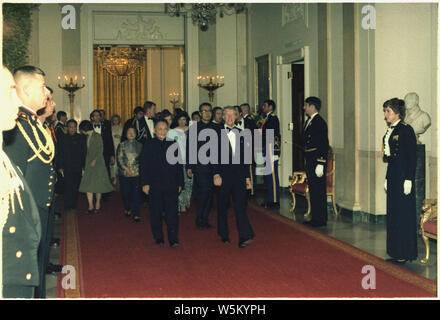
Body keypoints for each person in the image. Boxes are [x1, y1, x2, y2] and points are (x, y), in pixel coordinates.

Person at [3, 65, 55, 298]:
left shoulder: (33, 122)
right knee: (29, 271)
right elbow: (14, 180)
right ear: (25, 89)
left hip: (39, 207)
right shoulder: (19, 124)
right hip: (25, 214)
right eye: (42, 87)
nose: (46, 93)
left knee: (39, 265)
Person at [382, 98, 417, 264]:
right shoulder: (391, 129)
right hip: (394, 176)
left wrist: (409, 179)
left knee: (403, 215)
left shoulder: (406, 130)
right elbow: (391, 159)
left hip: (403, 177)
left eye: (388, 111)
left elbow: (412, 157)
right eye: (385, 111)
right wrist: (387, 178)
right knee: (394, 213)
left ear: (397, 113)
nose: (385, 114)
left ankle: (405, 252)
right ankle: (395, 251)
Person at [213, 106, 254, 248]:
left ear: (236, 117)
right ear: (223, 117)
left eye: (233, 115)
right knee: (222, 206)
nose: (230, 118)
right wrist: (216, 174)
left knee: (240, 206)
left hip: (238, 176)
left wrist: (247, 178)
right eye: (227, 115)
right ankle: (223, 234)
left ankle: (245, 235)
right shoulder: (215, 133)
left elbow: (246, 159)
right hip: (223, 175)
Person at [140, 120, 184, 247]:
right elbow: (143, 166)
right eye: (160, 129)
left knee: (172, 213)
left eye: (165, 129)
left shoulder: (173, 144)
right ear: (154, 130)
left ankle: (173, 238)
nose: (163, 131)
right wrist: (145, 183)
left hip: (171, 184)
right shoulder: (148, 145)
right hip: (154, 185)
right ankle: (158, 237)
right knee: (156, 212)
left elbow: (178, 165)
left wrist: (180, 182)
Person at [186, 102, 218, 229]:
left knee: (209, 194)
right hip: (200, 166)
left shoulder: (217, 128)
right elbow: (190, 149)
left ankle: (204, 218)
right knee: (203, 193)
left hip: (214, 167)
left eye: (209, 111)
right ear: (200, 113)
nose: (207, 113)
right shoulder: (194, 128)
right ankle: (200, 218)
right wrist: (189, 166)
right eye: (204, 111)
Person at [301, 97, 329, 227]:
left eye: (306, 105)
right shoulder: (310, 121)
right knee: (313, 189)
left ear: (312, 107)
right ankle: (315, 217)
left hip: (316, 160)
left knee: (318, 190)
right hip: (310, 158)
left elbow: (323, 145)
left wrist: (321, 163)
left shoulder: (319, 122)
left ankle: (321, 218)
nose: (304, 108)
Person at [78, 120, 114, 214]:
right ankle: (90, 206)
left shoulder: (97, 136)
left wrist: (94, 160)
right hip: (88, 163)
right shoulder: (85, 137)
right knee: (87, 185)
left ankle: (97, 203)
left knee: (98, 185)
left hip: (98, 163)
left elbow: (100, 149)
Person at [58, 119, 86, 212]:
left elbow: (84, 153)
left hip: (77, 166)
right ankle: (67, 205)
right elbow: (60, 153)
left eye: (74, 127)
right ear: (67, 128)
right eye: (70, 127)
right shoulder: (63, 138)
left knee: (76, 186)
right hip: (66, 166)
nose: (72, 129)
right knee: (67, 186)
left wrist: (84, 165)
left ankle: (74, 205)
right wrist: (60, 166)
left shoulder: (81, 138)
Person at [117, 127, 143, 222]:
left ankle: (136, 214)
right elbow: (119, 159)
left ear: (136, 134)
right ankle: (127, 208)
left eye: (133, 132)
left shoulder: (140, 145)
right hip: (124, 173)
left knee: (136, 194)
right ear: (126, 134)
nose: (131, 134)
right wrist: (126, 169)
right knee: (126, 193)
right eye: (129, 132)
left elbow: (142, 159)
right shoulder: (122, 145)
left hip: (137, 173)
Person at [260, 99, 281, 209]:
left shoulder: (273, 119)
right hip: (266, 149)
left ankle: (274, 200)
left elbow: (275, 136)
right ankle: (270, 199)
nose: (263, 107)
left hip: (271, 150)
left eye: (265, 105)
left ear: (270, 107)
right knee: (268, 176)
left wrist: (275, 152)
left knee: (272, 176)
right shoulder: (267, 118)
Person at [170, 111, 192, 213]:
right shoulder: (172, 131)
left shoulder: (192, 130)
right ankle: (180, 204)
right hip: (178, 160)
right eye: (180, 119)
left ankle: (185, 202)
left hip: (190, 160)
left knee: (189, 183)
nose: (182, 122)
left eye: (184, 119)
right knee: (180, 183)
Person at [240, 103, 258, 196]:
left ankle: (251, 191)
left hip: (249, 149)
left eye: (241, 110)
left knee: (250, 169)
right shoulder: (245, 120)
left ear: (245, 110)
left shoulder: (248, 120)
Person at [110, 114, 123, 184]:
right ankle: (113, 178)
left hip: (119, 146)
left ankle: (119, 178)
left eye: (117, 120)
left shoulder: (122, 128)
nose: (115, 121)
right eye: (114, 120)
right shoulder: (110, 128)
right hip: (113, 147)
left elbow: (124, 138)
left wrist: (120, 137)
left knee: (119, 163)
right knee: (113, 164)